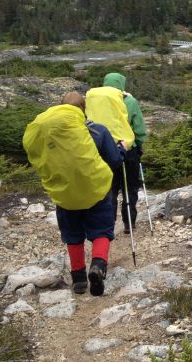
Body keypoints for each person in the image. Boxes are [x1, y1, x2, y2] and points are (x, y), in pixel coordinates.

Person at [23, 92, 123, 296]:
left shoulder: (48, 135)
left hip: (65, 195)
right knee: (102, 231)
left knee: (73, 236)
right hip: (96, 190)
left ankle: (78, 280)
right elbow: (114, 160)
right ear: (83, 109)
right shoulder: (97, 130)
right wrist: (121, 149)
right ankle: (98, 267)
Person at [87, 72, 147, 234]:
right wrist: (139, 144)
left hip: (104, 151)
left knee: (110, 188)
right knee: (130, 187)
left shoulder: (94, 101)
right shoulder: (129, 101)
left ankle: (109, 224)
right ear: (121, 84)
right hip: (128, 149)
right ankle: (129, 223)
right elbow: (139, 128)